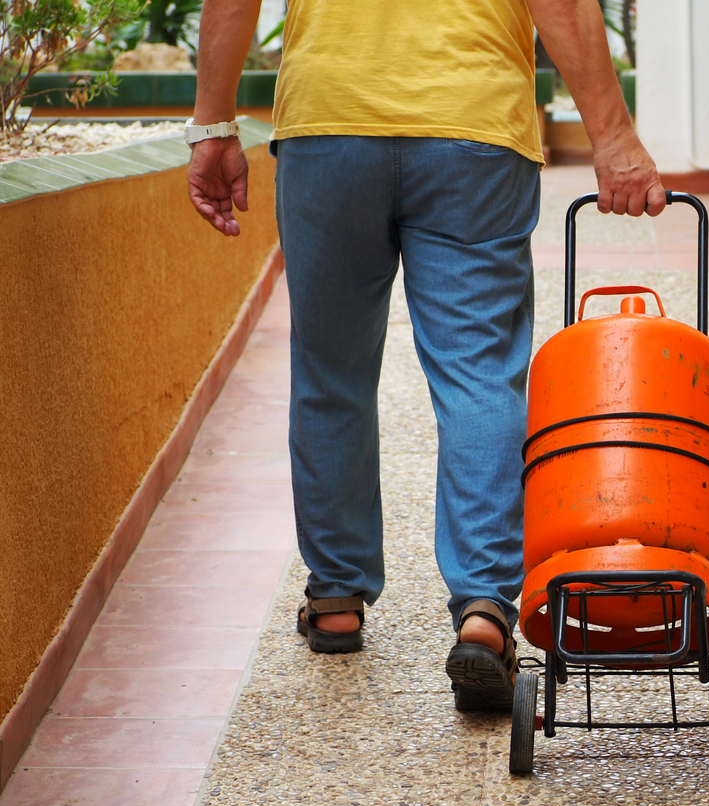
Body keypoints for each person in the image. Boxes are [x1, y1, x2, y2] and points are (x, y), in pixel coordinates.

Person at [186, 0, 665, 710]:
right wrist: (612, 134)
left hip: (330, 122)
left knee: (331, 373)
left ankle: (336, 598)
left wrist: (214, 124)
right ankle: (483, 611)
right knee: (480, 374)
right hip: (472, 122)